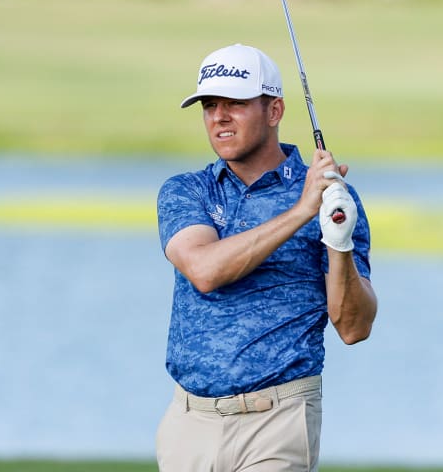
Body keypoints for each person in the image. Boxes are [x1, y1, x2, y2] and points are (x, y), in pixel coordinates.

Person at [155, 43, 377, 472]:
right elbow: (203, 270)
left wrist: (339, 241)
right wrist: (299, 214)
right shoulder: (188, 190)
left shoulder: (332, 199)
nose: (219, 116)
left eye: (235, 103)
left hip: (279, 419)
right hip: (189, 422)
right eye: (209, 104)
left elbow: (353, 327)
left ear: (274, 111)